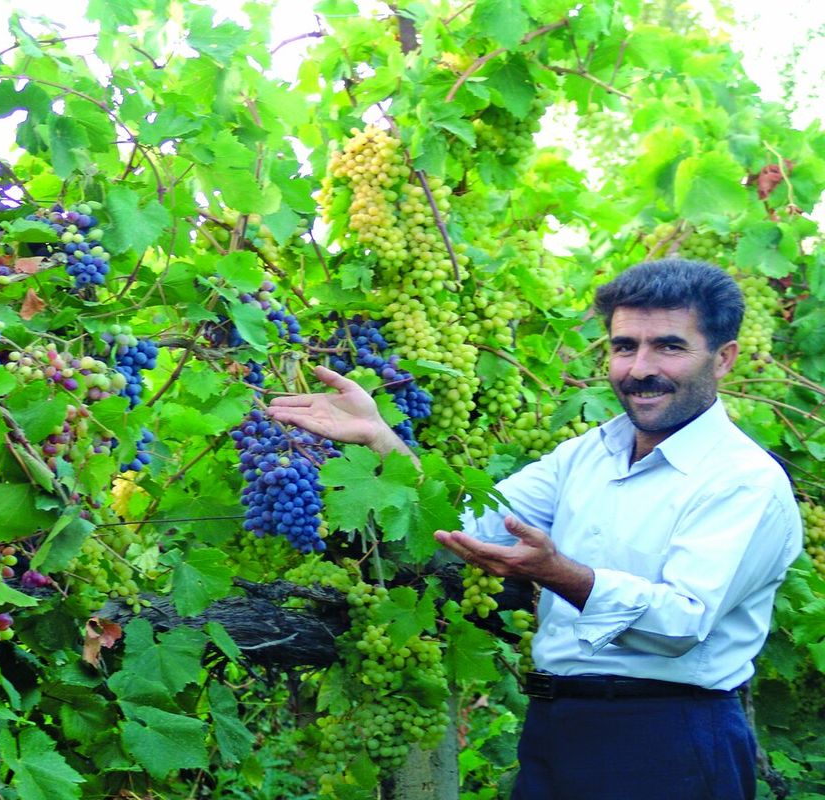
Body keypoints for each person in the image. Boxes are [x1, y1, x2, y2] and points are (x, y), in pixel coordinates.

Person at [268, 259, 802, 800]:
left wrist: (559, 574)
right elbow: (474, 522)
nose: (639, 367)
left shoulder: (743, 482)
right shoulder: (587, 454)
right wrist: (380, 437)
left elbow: (681, 624)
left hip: (669, 740)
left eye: (668, 346)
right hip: (556, 728)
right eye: (623, 347)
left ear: (724, 358)